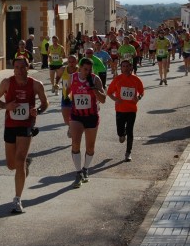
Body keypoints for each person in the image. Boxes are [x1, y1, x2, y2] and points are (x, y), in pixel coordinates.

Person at [0, 56, 49, 214]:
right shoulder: (7, 83)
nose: (19, 70)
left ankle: (17, 199)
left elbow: (45, 103)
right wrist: (6, 106)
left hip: (26, 125)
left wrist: (38, 110)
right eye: (16, 67)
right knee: (11, 165)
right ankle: (25, 165)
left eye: (22, 67)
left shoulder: (36, 84)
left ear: (28, 68)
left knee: (20, 159)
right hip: (10, 125)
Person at [67, 58, 106, 188]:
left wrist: (94, 89)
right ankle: (78, 173)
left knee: (90, 147)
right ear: (80, 67)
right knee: (76, 143)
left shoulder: (95, 79)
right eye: (85, 69)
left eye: (89, 70)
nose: (87, 72)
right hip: (76, 116)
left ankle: (85, 168)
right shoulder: (72, 78)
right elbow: (66, 94)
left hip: (91, 116)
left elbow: (103, 99)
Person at [106, 60, 145, 162]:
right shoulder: (117, 79)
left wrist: (138, 97)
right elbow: (109, 92)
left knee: (130, 131)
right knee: (120, 132)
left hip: (132, 109)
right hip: (120, 109)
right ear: (121, 68)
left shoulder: (136, 79)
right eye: (123, 66)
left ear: (131, 67)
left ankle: (128, 152)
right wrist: (116, 99)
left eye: (128, 66)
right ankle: (121, 134)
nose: (126, 68)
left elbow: (142, 92)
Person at [54, 55, 79, 138]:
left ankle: (74, 129)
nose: (71, 64)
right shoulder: (63, 69)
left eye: (73, 62)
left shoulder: (80, 70)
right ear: (67, 62)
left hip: (77, 97)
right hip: (66, 96)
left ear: (76, 62)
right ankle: (71, 126)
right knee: (66, 119)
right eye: (69, 62)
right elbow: (57, 77)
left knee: (76, 117)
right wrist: (56, 83)